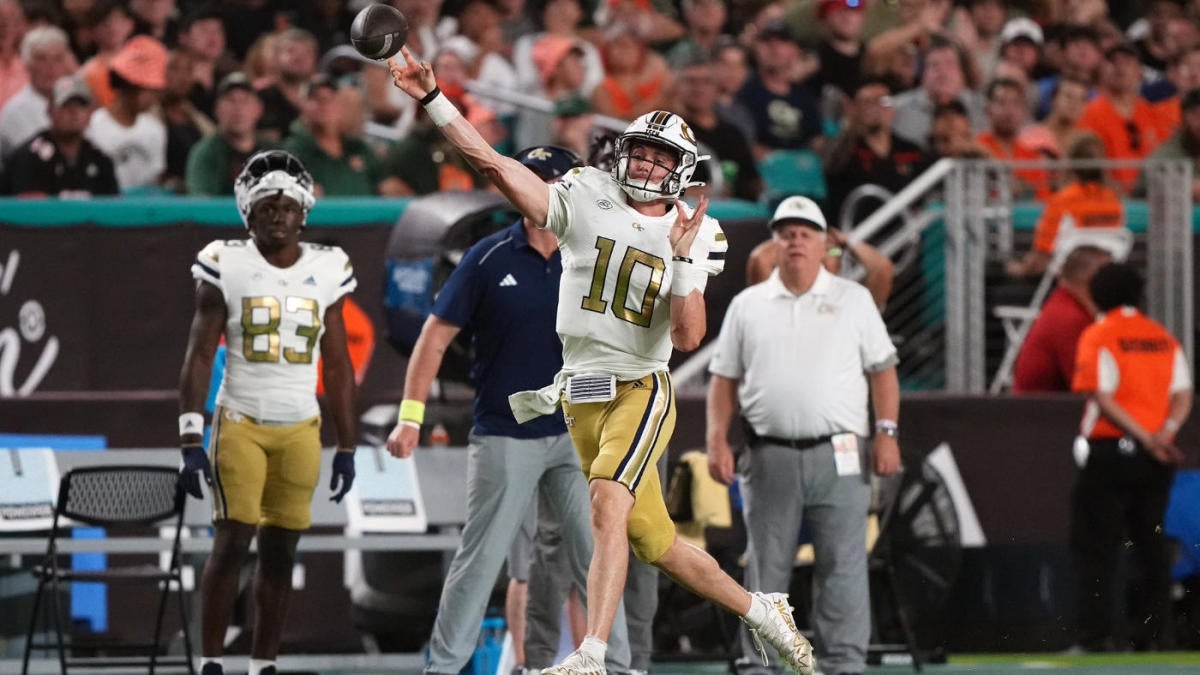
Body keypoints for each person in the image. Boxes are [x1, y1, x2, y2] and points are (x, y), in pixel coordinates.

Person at [386, 46, 814, 675]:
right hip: (580, 392)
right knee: (657, 542)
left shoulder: (698, 233)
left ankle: (591, 654)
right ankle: (761, 610)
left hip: (641, 387)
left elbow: (690, 336)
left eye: (659, 156)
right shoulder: (587, 194)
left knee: (606, 503)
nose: (644, 161)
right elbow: (497, 166)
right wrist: (432, 98)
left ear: (681, 171)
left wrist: (678, 262)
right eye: (639, 149)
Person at [383, 145, 633, 675]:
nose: (545, 190)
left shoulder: (598, 255)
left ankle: (618, 666)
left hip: (580, 435)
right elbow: (433, 338)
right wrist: (410, 414)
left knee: (598, 555)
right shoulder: (488, 257)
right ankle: (444, 668)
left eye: (557, 181)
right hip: (505, 432)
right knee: (481, 559)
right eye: (535, 180)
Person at [177, 150, 359, 675]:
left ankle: (264, 664)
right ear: (247, 212)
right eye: (266, 204)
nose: (277, 213)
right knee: (232, 540)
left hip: (301, 425)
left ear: (304, 212)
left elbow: (339, 363)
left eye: (286, 205)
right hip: (241, 419)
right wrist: (191, 437)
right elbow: (197, 355)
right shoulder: (224, 262)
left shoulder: (329, 266)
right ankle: (210, 660)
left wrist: (347, 445)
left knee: (281, 551)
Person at [707, 195, 901, 675]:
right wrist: (715, 439)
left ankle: (844, 663)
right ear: (774, 243)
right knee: (765, 569)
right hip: (768, 451)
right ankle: (761, 664)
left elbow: (883, 371)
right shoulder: (748, 304)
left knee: (844, 564)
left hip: (842, 451)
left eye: (805, 233)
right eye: (786, 233)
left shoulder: (853, 299)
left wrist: (887, 432)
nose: (795, 241)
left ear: (823, 243)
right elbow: (723, 380)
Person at [1070, 261, 1192, 652]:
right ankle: (1153, 637)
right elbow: (1183, 395)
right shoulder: (1163, 338)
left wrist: (1143, 437)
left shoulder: (1099, 335)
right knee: (1151, 547)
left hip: (1110, 455)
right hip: (1155, 463)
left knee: (1095, 546)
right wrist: (1164, 435)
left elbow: (1102, 397)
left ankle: (1095, 638)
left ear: (1097, 294)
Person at [1007, 133, 1124, 279]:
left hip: (1069, 281)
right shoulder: (1113, 199)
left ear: (1069, 164)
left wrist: (1021, 269)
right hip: (1104, 281)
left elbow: (1041, 259)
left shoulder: (1063, 200)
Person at [1011, 245, 1111, 394]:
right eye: (1109, 276)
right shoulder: (1070, 318)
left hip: (1052, 407)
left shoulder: (1066, 305)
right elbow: (1087, 385)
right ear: (1090, 278)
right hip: (1044, 412)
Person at [0, 75, 118, 196]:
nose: (74, 111)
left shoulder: (100, 159)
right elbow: (25, 210)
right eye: (66, 104)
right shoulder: (29, 159)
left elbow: (113, 208)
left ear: (90, 113)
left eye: (81, 105)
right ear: (49, 111)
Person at [186, 72, 277, 196]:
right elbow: (203, 204)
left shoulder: (274, 151)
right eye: (230, 100)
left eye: (245, 101)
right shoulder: (206, 153)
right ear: (217, 109)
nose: (238, 109)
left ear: (259, 109)